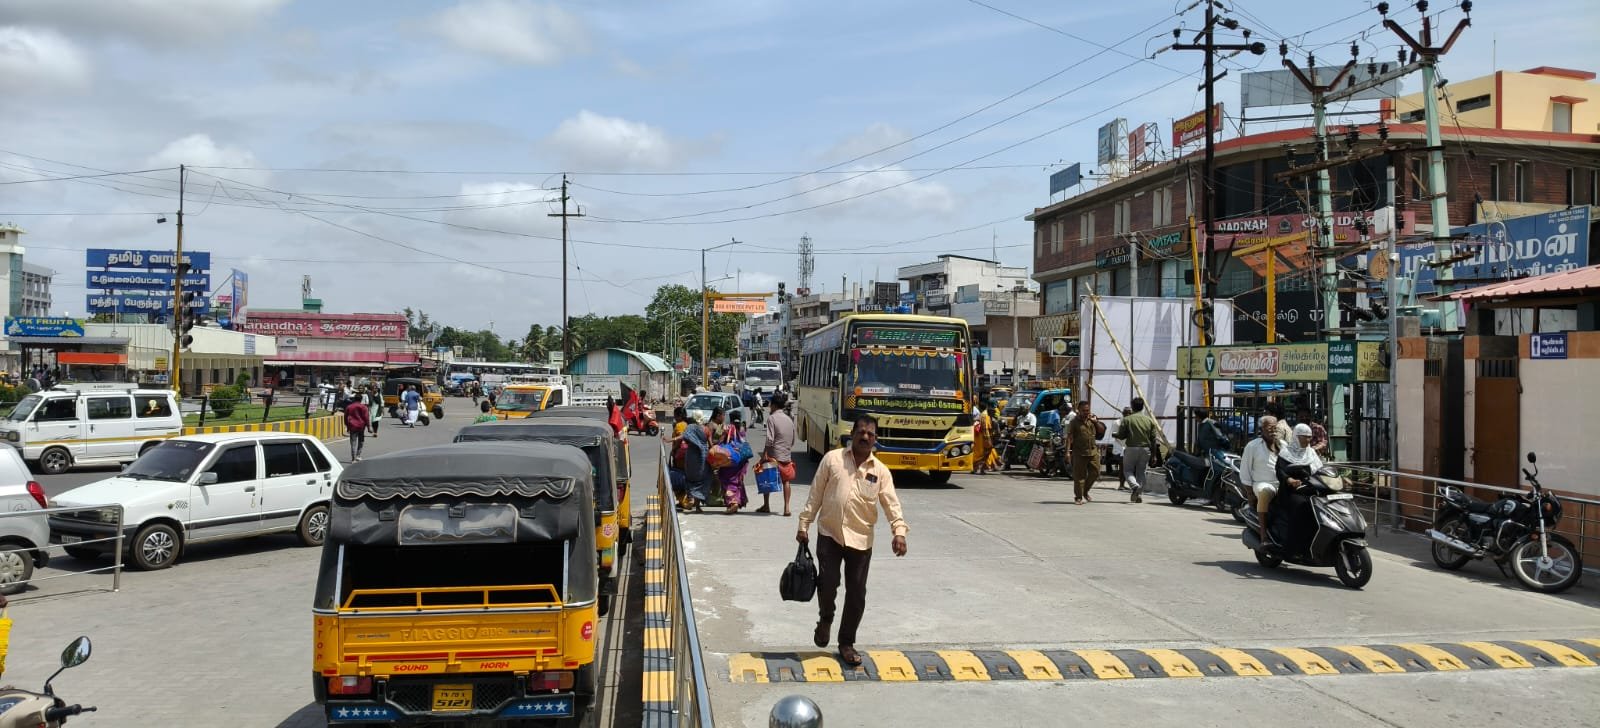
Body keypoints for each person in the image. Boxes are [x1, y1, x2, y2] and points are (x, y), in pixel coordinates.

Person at [796, 415, 908, 669]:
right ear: (852, 434)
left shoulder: (880, 472)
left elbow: (891, 504)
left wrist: (898, 532)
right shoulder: (832, 459)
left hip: (861, 540)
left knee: (856, 594)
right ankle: (825, 620)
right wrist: (804, 524)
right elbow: (815, 494)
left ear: (875, 439)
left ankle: (846, 642)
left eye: (870, 433)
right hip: (830, 534)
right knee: (828, 584)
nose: (865, 437)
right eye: (861, 432)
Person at [1274, 423, 1326, 554]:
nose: (1308, 440)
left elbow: (1320, 469)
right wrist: (1289, 480)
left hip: (1311, 488)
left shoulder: (1311, 453)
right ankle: (1293, 547)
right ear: (1296, 437)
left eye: (1309, 437)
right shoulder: (1286, 453)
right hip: (1291, 491)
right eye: (1305, 437)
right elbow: (1280, 471)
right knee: (1301, 507)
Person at [1238, 415, 1284, 544]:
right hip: (1263, 483)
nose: (1273, 430)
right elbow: (1245, 471)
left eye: (1275, 427)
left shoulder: (1283, 445)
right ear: (1262, 429)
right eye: (1270, 427)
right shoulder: (1253, 446)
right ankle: (1264, 535)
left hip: (1282, 484)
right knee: (1264, 492)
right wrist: (1250, 493)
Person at [1114, 398, 1161, 504]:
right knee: (1141, 471)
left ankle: (1135, 486)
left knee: (1128, 470)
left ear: (1132, 407)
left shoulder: (1127, 420)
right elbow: (1153, 439)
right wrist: (1154, 455)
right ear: (1143, 407)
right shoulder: (1149, 420)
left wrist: (1115, 434)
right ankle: (1139, 494)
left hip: (1131, 448)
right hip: (1145, 449)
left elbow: (1121, 436)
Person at [760, 391, 796, 516]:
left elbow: (770, 439)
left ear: (774, 405)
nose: (769, 406)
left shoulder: (771, 418)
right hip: (786, 455)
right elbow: (792, 440)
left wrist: (764, 454)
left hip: (774, 455)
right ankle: (787, 508)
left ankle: (766, 505)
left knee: (766, 477)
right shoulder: (789, 419)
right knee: (786, 481)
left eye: (770, 404)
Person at [1064, 400, 1101, 505]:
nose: (1086, 412)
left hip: (1093, 452)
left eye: (1087, 410)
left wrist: (1095, 422)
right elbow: (1069, 438)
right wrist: (1067, 452)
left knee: (1096, 472)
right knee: (1079, 476)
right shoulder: (1074, 422)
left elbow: (1101, 431)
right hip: (1079, 452)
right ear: (1078, 411)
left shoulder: (1092, 420)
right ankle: (1079, 497)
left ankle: (1085, 491)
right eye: (1084, 410)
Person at [681, 414, 711, 513]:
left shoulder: (690, 428)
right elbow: (710, 445)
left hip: (691, 456)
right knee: (701, 479)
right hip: (703, 456)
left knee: (690, 478)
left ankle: (691, 498)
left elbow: (685, 438)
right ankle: (697, 506)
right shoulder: (707, 429)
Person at [972, 399, 997, 475]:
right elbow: (985, 429)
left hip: (983, 437)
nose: (994, 411)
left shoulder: (986, 414)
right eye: (993, 409)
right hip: (983, 438)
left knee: (984, 453)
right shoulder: (985, 415)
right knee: (983, 454)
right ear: (989, 407)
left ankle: (980, 468)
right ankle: (979, 469)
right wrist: (988, 441)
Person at [343, 393, 369, 462]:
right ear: (361, 399)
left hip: (352, 426)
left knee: (353, 442)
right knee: (361, 441)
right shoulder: (364, 407)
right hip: (361, 427)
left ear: (354, 399)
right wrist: (369, 428)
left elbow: (345, 417)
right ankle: (358, 455)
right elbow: (366, 418)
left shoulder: (349, 407)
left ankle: (353, 458)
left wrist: (347, 426)